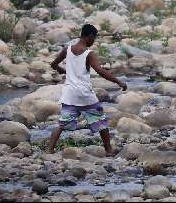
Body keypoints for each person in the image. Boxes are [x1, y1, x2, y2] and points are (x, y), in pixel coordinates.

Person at [48, 24, 127, 156]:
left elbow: (53, 65)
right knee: (101, 121)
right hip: (85, 94)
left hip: (69, 94)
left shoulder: (67, 49)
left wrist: (67, 73)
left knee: (61, 124)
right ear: (90, 36)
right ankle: (108, 150)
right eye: (94, 38)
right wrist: (118, 81)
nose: (93, 41)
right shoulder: (88, 53)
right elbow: (100, 71)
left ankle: (50, 150)